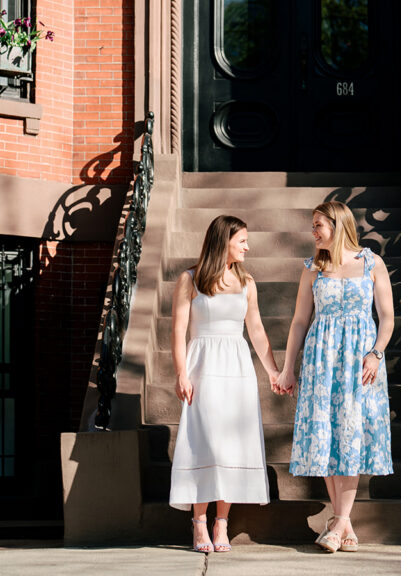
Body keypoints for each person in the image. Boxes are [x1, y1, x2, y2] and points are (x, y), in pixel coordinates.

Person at [276, 200, 395, 553]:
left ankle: (337, 522)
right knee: (327, 435)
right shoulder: (313, 268)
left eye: (318, 226)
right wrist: (287, 367)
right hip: (321, 360)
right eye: (313, 226)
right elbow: (299, 321)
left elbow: (387, 317)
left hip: (361, 361)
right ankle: (343, 524)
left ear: (338, 224)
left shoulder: (372, 263)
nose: (313, 232)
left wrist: (376, 353)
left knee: (352, 434)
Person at [169, 214, 281, 552]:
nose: (248, 246)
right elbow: (177, 331)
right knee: (206, 442)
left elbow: (257, 331)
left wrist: (274, 372)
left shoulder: (247, 282)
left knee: (232, 444)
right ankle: (199, 522)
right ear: (224, 241)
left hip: (237, 367)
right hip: (202, 366)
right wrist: (181, 373)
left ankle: (222, 523)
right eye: (242, 240)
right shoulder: (190, 279)